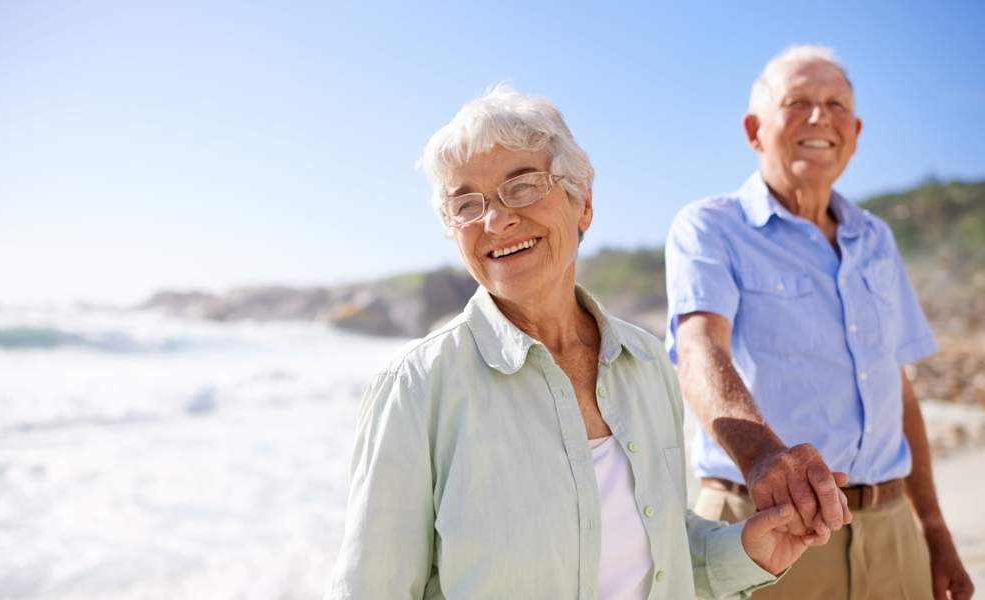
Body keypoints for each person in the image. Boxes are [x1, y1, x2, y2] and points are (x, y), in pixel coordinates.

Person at [326, 85, 829, 599]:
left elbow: (658, 552)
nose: (496, 220)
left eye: (522, 187)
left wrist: (746, 553)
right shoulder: (417, 385)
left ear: (583, 202)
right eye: (467, 204)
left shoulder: (647, 361)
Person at [666, 46, 975, 599]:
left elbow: (896, 389)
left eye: (835, 104)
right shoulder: (710, 227)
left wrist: (934, 532)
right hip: (767, 525)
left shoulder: (876, 238)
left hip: (892, 529)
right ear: (753, 130)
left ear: (854, 132)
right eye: (798, 102)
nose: (819, 117)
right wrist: (763, 456)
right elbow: (698, 350)